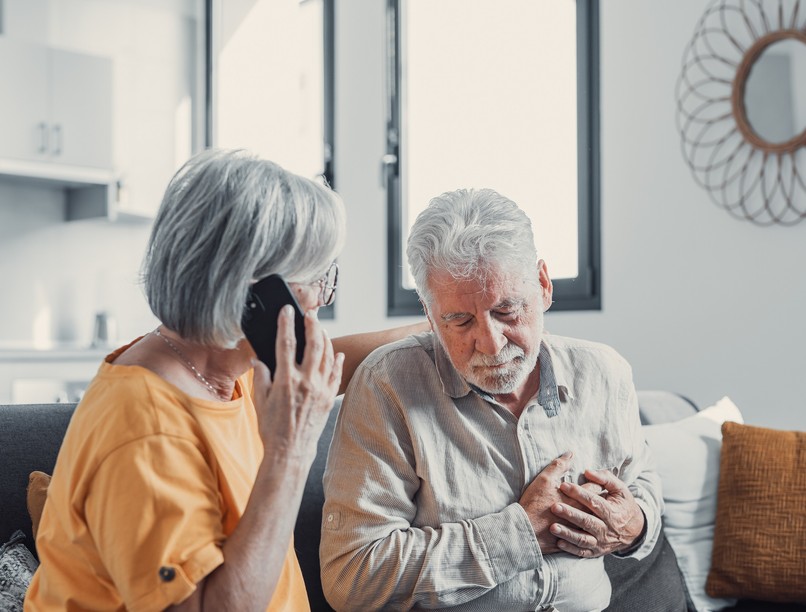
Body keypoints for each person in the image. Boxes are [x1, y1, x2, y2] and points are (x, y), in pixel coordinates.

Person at [25, 148, 425, 611]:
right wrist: (290, 451)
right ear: (253, 295)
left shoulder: (221, 367)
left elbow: (330, 360)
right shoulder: (146, 425)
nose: (322, 298)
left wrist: (448, 324)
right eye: (316, 278)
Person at [320, 188, 662, 611]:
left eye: (507, 311)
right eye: (459, 320)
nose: (491, 343)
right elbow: (352, 577)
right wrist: (516, 535)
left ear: (543, 285)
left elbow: (641, 480)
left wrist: (636, 525)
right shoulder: (386, 386)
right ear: (429, 315)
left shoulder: (605, 373)